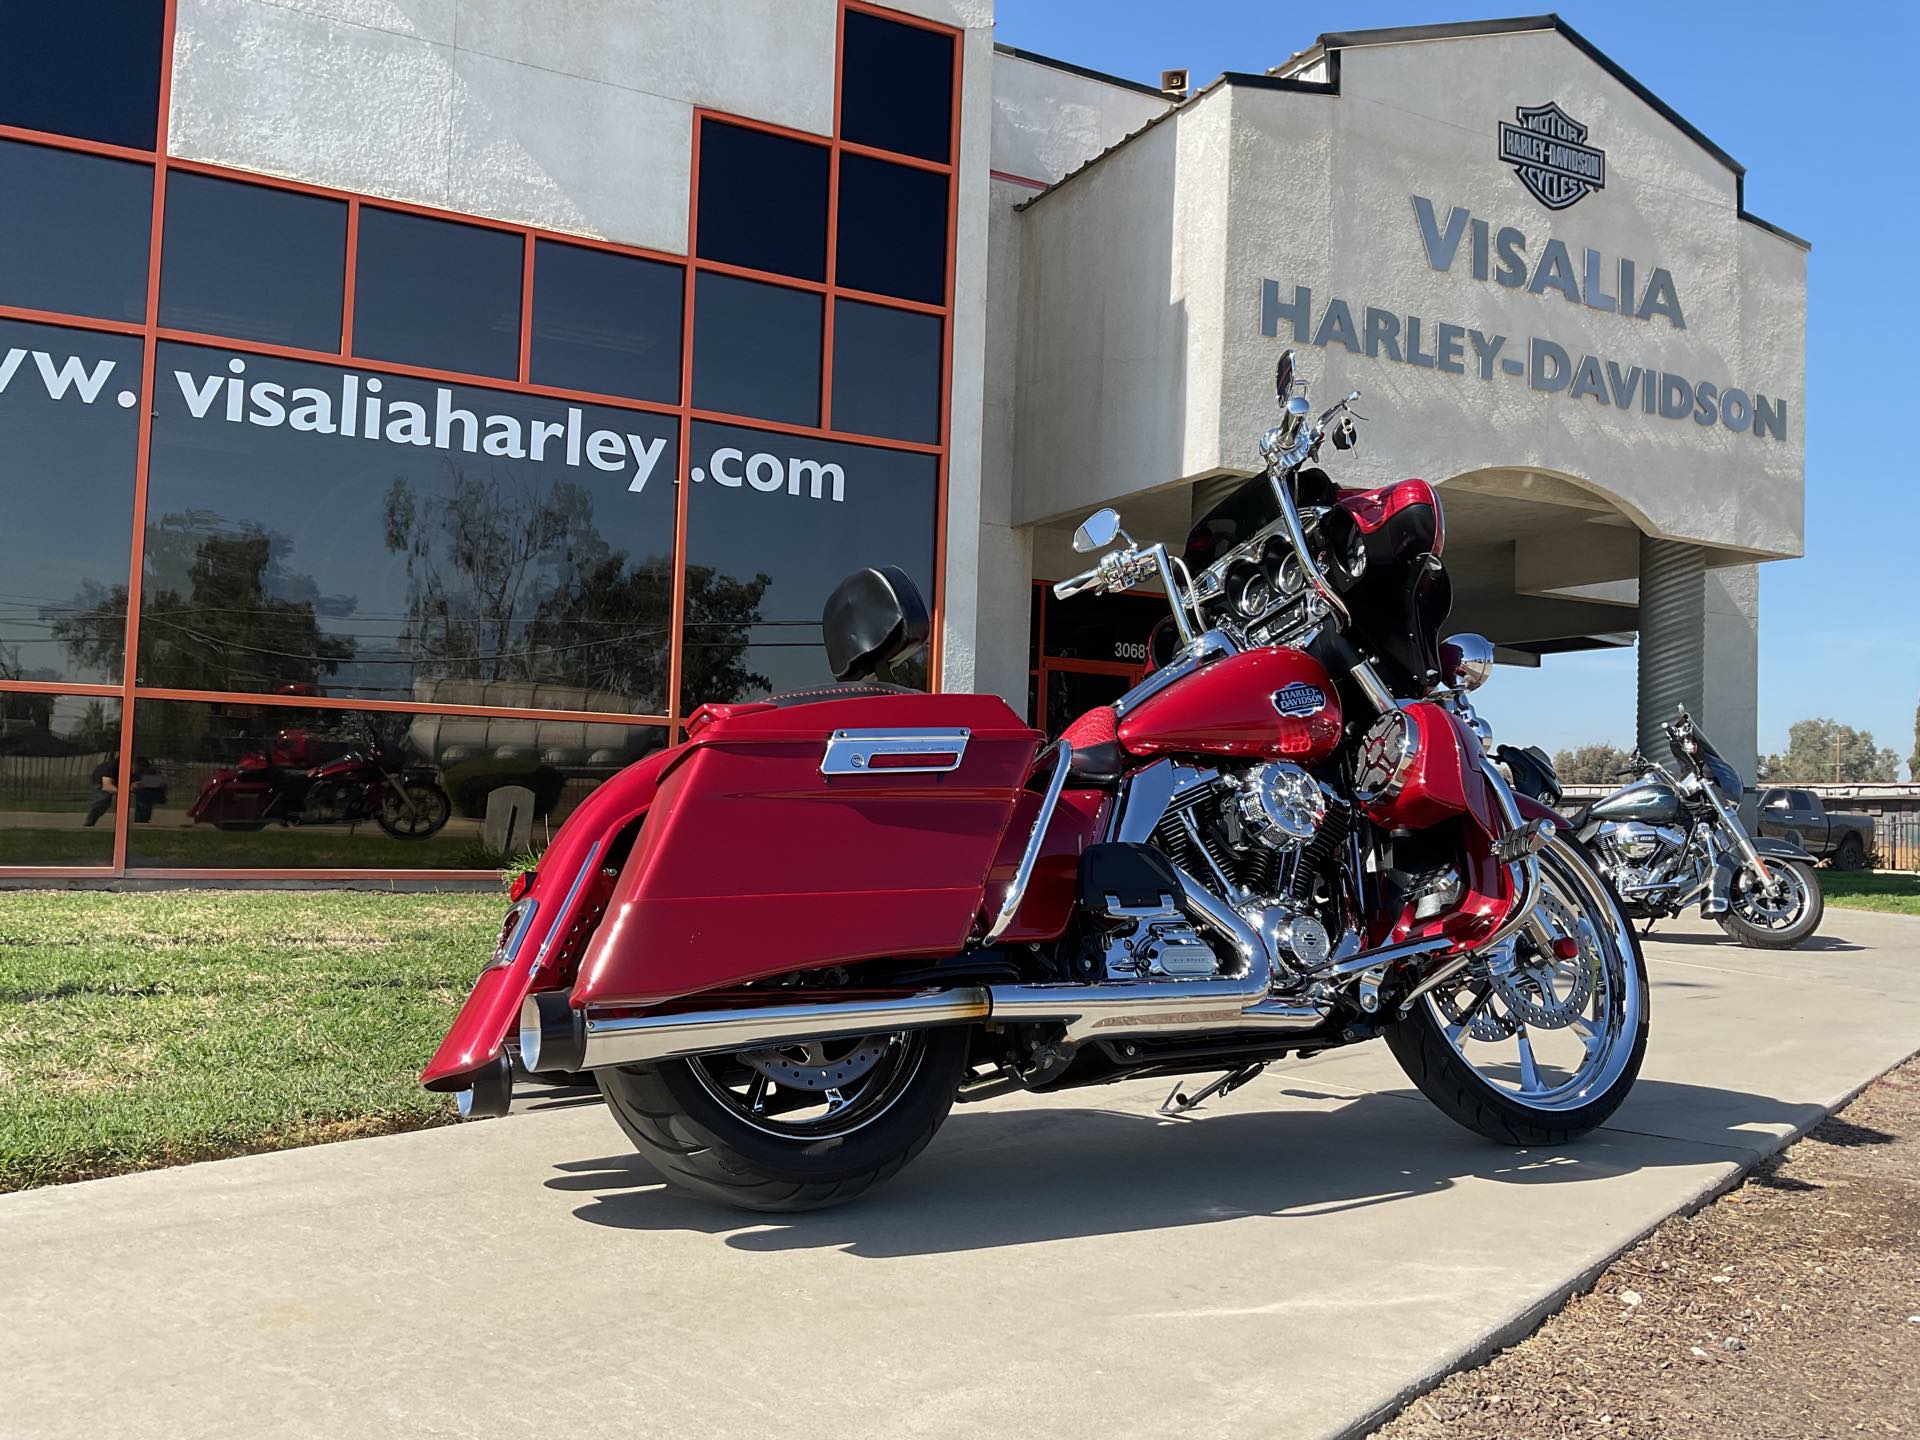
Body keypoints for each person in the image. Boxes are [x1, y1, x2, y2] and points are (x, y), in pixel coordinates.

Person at [83, 753, 119, 827]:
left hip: (112, 780)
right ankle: (89, 822)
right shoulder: (111, 766)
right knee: (103, 799)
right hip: (100, 782)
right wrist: (124, 792)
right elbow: (107, 786)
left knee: (105, 802)